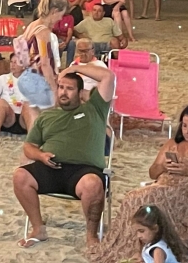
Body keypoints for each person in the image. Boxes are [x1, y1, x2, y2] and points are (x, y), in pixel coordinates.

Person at [90, 104, 188, 263]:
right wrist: (164, 167)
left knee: (147, 197)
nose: (187, 131)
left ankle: (146, 250)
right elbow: (152, 172)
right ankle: (134, 250)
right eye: (184, 126)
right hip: (162, 187)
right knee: (133, 197)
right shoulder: (173, 143)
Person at [14, 61, 115, 248]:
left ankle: (91, 236)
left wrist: (75, 68)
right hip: (51, 167)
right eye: (61, 87)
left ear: (80, 92)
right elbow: (29, 146)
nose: (63, 92)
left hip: (84, 172)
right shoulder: (47, 117)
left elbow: (108, 76)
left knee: (92, 184)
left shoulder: (95, 108)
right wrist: (40, 155)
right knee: (20, 176)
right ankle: (38, 229)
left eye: (69, 88)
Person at [0, 47, 38, 145]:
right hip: (8, 118)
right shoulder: (3, 78)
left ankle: (32, 143)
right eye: (11, 62)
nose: (12, 65)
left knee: (28, 105)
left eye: (16, 62)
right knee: (1, 102)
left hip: (24, 119)